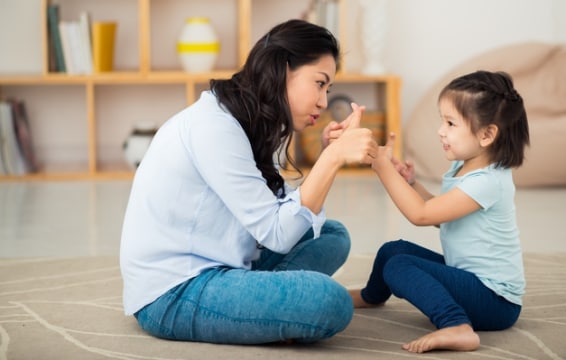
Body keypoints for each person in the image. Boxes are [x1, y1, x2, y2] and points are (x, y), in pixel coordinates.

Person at [120, 19, 378, 345]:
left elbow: (280, 215)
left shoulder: (250, 119)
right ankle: (265, 309)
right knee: (332, 302)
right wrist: (332, 159)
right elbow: (277, 233)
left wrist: (329, 155)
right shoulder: (215, 127)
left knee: (332, 235)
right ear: (283, 70)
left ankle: (261, 308)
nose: (324, 103)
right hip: (173, 291)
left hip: (226, 260)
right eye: (320, 83)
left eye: (327, 89)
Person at [350, 70, 530, 353]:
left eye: (450, 123)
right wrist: (411, 184)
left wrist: (382, 168)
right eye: (442, 120)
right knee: (393, 251)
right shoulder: (465, 167)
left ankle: (456, 325)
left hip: (495, 302)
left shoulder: (487, 181)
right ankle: (371, 297)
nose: (440, 130)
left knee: (399, 267)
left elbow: (421, 215)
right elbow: (439, 213)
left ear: (487, 135)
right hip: (469, 279)